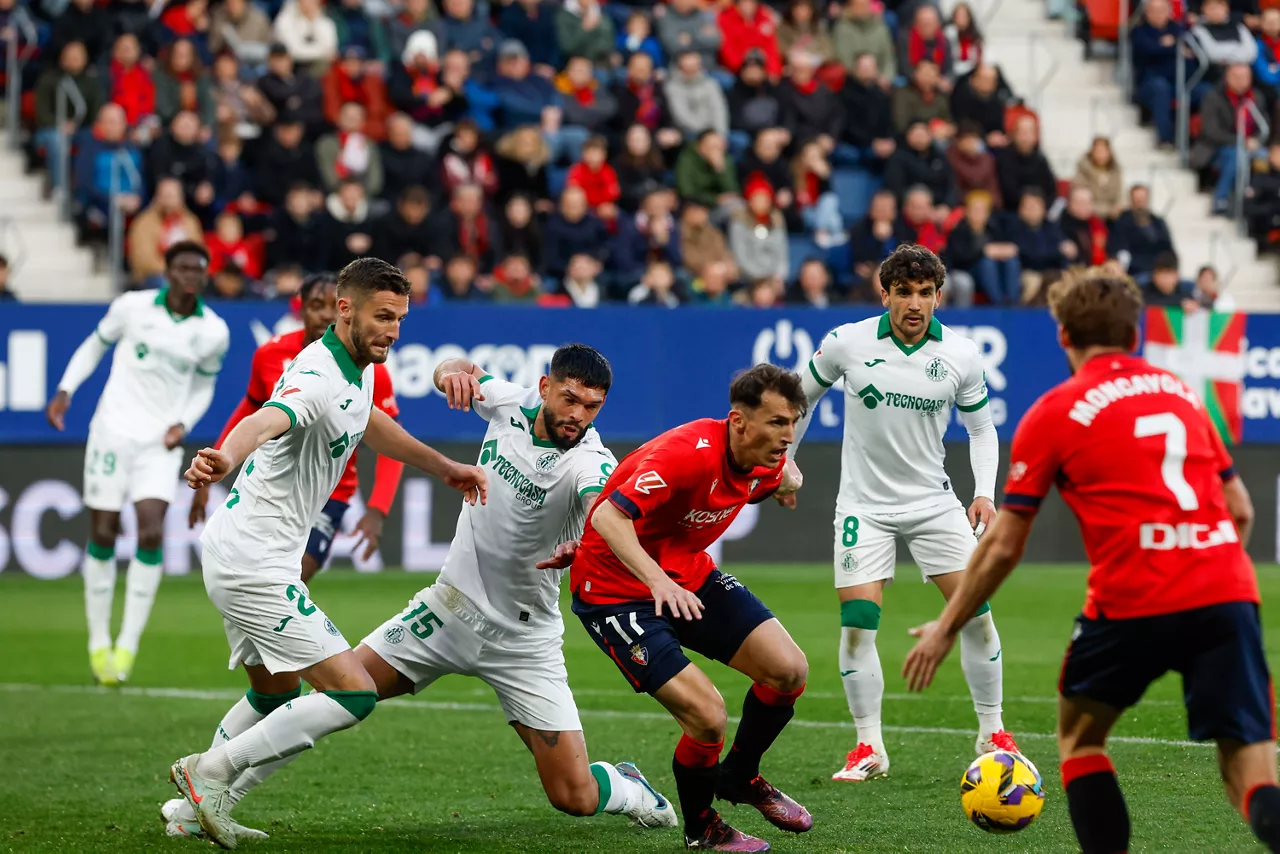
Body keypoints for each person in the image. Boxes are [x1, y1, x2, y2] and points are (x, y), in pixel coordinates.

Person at [175, 344, 678, 840]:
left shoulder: (591, 460)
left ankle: (628, 786)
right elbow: (455, 370)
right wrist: (449, 373)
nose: (578, 416)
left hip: (524, 642)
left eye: (591, 407)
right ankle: (211, 796)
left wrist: (585, 544)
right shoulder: (509, 402)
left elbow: (602, 510)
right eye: (569, 399)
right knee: (336, 693)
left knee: (575, 796)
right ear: (545, 388)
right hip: (445, 611)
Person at [903, 270, 1280, 854]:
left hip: (1133, 599)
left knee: (1080, 738)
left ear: (1063, 336)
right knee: (1250, 771)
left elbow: (1004, 544)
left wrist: (945, 627)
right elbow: (1242, 510)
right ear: (1134, 333)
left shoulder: (1055, 410)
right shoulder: (1181, 392)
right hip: (1225, 592)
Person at [167, 258, 487, 849]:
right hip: (253, 562)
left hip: (248, 549)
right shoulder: (316, 373)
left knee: (274, 694)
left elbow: (369, 424)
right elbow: (267, 418)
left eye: (400, 319)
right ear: (345, 309)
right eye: (382, 316)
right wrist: (224, 456)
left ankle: (192, 811)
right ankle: (206, 773)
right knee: (353, 692)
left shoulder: (357, 367)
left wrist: (444, 467)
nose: (392, 330)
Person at [787, 243, 1016, 784]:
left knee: (975, 613)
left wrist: (984, 490)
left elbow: (981, 429)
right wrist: (783, 464)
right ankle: (868, 746)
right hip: (863, 507)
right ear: (884, 292)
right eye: (905, 292)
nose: (915, 303)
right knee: (858, 626)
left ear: (939, 296)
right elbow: (799, 399)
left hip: (934, 503)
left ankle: (992, 732)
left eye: (926, 293)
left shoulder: (961, 356)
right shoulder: (846, 342)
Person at [570, 363, 813, 852]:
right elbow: (609, 517)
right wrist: (657, 580)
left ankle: (740, 776)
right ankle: (702, 828)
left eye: (792, 422)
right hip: (615, 590)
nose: (787, 435)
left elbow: (787, 476)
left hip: (688, 576)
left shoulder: (765, 458)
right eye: (777, 423)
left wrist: (789, 484)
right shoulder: (685, 456)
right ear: (738, 421)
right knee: (707, 716)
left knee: (788, 671)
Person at [45, 242, 229, 688]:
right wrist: (66, 389)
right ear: (167, 270)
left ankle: (127, 643)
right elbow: (94, 345)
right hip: (111, 431)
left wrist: (182, 422)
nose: (191, 275)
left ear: (205, 275)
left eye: (199, 269)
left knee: (150, 531)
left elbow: (204, 387)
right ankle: (97, 639)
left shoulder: (213, 331)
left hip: (158, 444)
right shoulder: (132, 307)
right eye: (183, 267)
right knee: (104, 531)